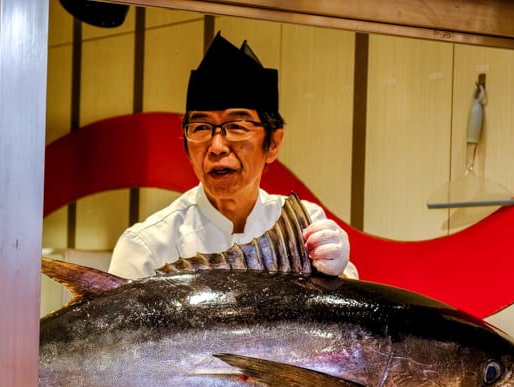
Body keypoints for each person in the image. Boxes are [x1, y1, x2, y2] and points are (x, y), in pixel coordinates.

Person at [108, 33, 357, 280]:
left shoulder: (301, 227)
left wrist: (337, 272)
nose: (216, 146)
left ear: (273, 144)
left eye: (237, 127)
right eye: (201, 128)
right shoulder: (146, 246)